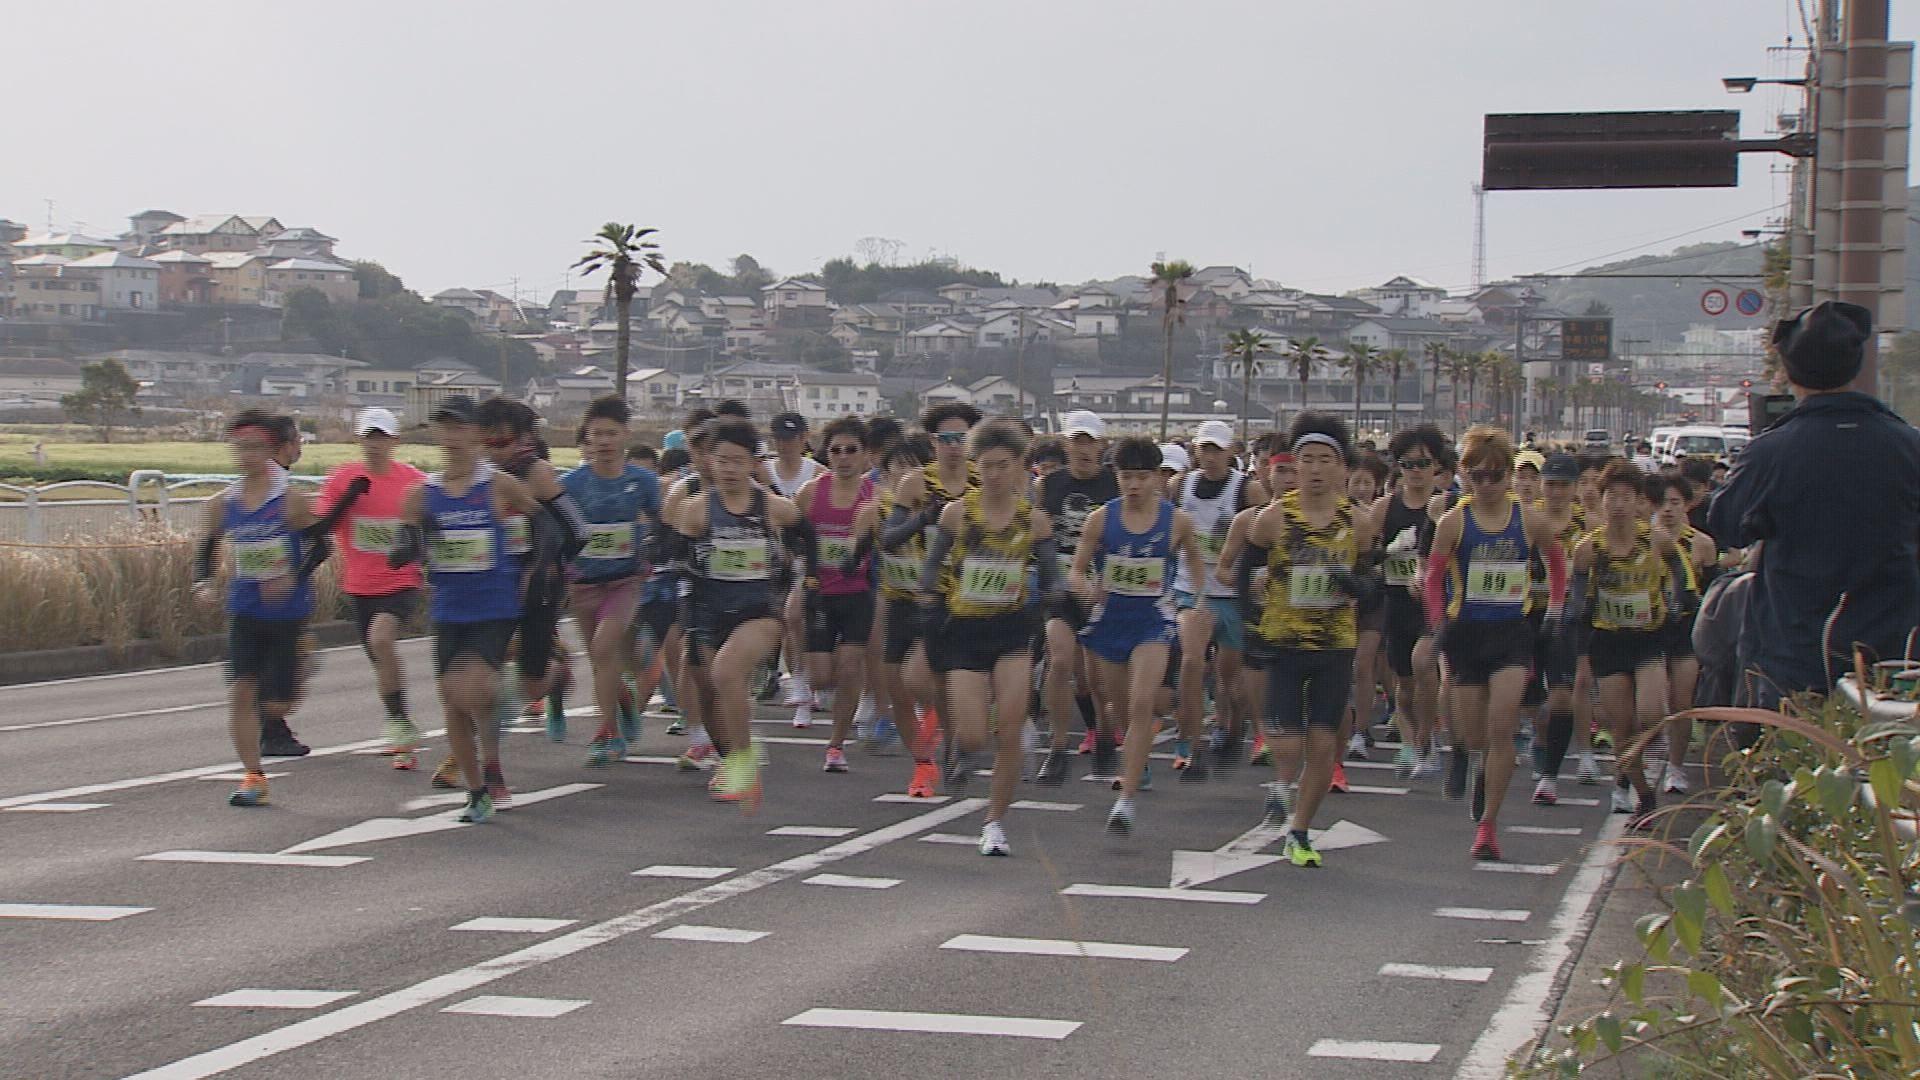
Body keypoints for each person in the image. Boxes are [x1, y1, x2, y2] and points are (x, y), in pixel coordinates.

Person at [1708, 300, 1920, 716]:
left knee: (1794, 767)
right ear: (1856, 365)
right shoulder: (1908, 445)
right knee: (1879, 765)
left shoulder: (1771, 450)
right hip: (1890, 651)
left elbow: (1726, 525)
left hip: (1791, 649)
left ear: (1789, 372)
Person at [1232, 413, 1379, 868]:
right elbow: (1244, 575)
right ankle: (1280, 786)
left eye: (1325, 460)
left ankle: (1299, 830)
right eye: (1307, 460)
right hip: (1283, 643)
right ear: (1294, 466)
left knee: (1322, 745)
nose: (1315, 469)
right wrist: (1253, 611)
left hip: (1334, 645)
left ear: (1342, 469)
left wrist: (1353, 586)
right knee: (1290, 744)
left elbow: (1375, 584)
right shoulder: (1273, 519)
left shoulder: (1359, 523)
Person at [389, 395, 543, 823]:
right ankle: (478, 788)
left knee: (469, 688)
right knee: (454, 704)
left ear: (477, 434)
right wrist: (405, 549)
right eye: (443, 426)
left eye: (459, 426)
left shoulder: (497, 485)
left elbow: (541, 519)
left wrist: (537, 567)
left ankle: (498, 701)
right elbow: (402, 545)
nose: (451, 436)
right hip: (448, 609)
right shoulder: (420, 495)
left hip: (494, 606)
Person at [1424, 426, 1567, 861]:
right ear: (1465, 476)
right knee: (1473, 734)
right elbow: (1432, 581)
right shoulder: (1454, 523)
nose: (1487, 485)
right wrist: (1437, 627)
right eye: (1477, 476)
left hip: (1511, 634)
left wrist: (1556, 609)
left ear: (1510, 477)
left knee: (1502, 725)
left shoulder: (1530, 519)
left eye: (1496, 475)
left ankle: (1488, 826)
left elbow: (1558, 564)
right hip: (1466, 633)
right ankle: (1470, 761)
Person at [916, 420, 1057, 856]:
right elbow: (929, 571)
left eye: (1003, 465)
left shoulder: (1033, 521)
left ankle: (994, 822)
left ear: (1019, 466)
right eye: (986, 465)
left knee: (1010, 729)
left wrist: (1047, 602)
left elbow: (1052, 581)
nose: (994, 474)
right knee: (975, 737)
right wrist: (930, 604)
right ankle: (958, 746)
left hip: (1011, 629)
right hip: (963, 630)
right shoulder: (957, 514)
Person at [675, 417, 812, 811]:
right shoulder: (696, 511)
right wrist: (686, 614)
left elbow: (808, 537)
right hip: (708, 611)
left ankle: (744, 766)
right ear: (710, 463)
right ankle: (730, 755)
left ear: (754, 463)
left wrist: (802, 579)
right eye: (723, 461)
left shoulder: (772, 506)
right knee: (706, 688)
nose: (731, 469)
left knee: (727, 671)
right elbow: (681, 568)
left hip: (760, 612)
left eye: (739, 461)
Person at [1070, 436, 1206, 832]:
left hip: (1153, 621)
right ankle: (1138, 763)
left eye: (1142, 477)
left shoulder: (1176, 521)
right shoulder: (1100, 519)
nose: (1134, 485)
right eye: (1126, 477)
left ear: (1157, 479)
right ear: (1116, 477)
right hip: (1111, 621)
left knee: (1143, 701)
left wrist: (1194, 603)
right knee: (1122, 711)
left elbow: (1196, 566)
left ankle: (1126, 799)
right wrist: (1086, 587)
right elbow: (1077, 569)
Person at [191, 409, 322, 807]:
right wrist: (203, 582)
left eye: (254, 447)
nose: (245, 455)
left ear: (268, 450)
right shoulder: (222, 503)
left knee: (278, 704)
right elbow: (208, 549)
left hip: (287, 613)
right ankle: (253, 776)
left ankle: (302, 660)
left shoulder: (290, 502)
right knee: (241, 693)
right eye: (239, 447)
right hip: (244, 610)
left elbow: (322, 544)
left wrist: (291, 577)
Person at [1570, 462, 1681, 828]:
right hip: (1608, 640)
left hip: (1647, 637)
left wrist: (1680, 604)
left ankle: (1652, 754)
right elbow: (1577, 598)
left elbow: (1682, 576)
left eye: (1626, 498)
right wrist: (1578, 632)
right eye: (1611, 497)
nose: (1618, 504)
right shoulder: (1589, 548)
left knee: (1651, 715)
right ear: (1601, 502)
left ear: (1638, 503)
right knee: (1622, 728)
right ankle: (1643, 795)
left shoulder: (1656, 539)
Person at [317, 408, 428, 766]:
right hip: (359, 585)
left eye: (382, 437)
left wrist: (416, 550)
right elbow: (322, 527)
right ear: (359, 439)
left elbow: (433, 525)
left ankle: (401, 732)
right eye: (369, 437)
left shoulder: (413, 481)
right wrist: (349, 497)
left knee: (382, 640)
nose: (375, 444)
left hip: (401, 581)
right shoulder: (342, 479)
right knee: (380, 661)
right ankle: (401, 727)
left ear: (395, 441)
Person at [562, 395, 663, 767]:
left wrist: (654, 546)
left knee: (605, 648)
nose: (604, 441)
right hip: (583, 583)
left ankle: (607, 733)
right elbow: (558, 528)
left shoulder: (643, 481)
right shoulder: (571, 484)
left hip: (626, 581)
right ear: (586, 439)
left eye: (611, 433)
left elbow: (661, 522)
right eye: (596, 434)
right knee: (600, 659)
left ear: (625, 436)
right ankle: (621, 706)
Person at [1172, 419, 1269, 773]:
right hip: (1191, 590)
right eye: (1204, 449)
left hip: (1231, 593)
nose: (1210, 457)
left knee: (1231, 678)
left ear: (1232, 452)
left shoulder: (1248, 490)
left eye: (1217, 449)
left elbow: (1265, 541)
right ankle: (1189, 738)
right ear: (1195, 450)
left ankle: (1235, 727)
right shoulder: (1180, 485)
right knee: (1192, 661)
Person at [1036, 410, 1120, 783]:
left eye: (1090, 441)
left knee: (1095, 679)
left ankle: (1102, 732)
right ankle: (1057, 746)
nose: (1083, 449)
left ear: (1103, 445)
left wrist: (1105, 582)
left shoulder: (1117, 485)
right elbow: (1040, 537)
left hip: (1105, 587)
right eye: (1076, 441)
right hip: (1060, 586)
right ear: (1065, 444)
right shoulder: (1048, 485)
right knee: (1059, 660)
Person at [796, 416, 877, 773]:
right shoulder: (812, 492)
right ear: (826, 454)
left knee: (850, 666)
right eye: (836, 450)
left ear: (865, 456)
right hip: (820, 593)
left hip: (859, 592)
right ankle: (820, 693)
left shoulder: (875, 498)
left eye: (851, 450)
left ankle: (836, 744)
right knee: (820, 677)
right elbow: (793, 533)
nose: (843, 457)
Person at [1372, 424, 1452, 780]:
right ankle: (1412, 740)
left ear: (1437, 466)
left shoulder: (1450, 507)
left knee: (1424, 664)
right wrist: (1385, 554)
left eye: (1424, 463)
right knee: (1404, 684)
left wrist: (1435, 578)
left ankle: (1428, 736)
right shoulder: (1383, 508)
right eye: (1408, 464)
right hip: (1396, 602)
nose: (1416, 471)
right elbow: (1364, 556)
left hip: (1435, 605)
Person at [767, 411, 827, 722]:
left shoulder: (817, 473)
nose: (785, 445)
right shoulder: (763, 473)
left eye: (791, 439)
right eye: (779, 439)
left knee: (796, 617)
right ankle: (799, 681)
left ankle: (808, 687)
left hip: (806, 559)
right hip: (770, 560)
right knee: (785, 623)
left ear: (804, 439)